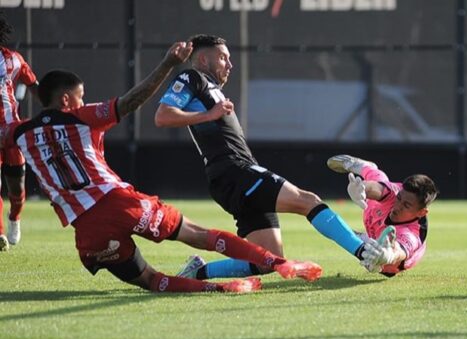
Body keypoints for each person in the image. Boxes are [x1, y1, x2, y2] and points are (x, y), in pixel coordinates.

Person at [1, 42, 322, 293]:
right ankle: (281, 264)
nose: (84, 102)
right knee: (198, 234)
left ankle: (222, 287)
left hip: (86, 232)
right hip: (117, 203)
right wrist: (168, 64)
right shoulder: (79, 117)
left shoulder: (18, 134)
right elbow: (130, 101)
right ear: (67, 100)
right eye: (81, 97)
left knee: (152, 281)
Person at [154, 34, 388, 280]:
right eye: (223, 58)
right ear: (202, 59)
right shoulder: (192, 77)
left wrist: (212, 113)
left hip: (232, 178)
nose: (230, 65)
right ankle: (364, 252)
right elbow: (163, 116)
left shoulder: (212, 90)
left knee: (267, 261)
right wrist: (210, 115)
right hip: (235, 172)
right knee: (307, 200)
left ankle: (198, 272)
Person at [326, 154, 438, 276]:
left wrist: (388, 255)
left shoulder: (412, 234)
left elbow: (399, 252)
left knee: (381, 263)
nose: (397, 206)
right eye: (399, 198)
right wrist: (362, 189)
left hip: (392, 262)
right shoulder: (394, 192)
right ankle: (365, 167)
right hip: (376, 213)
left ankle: (367, 241)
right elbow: (376, 188)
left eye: (406, 205)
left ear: (422, 212)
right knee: (378, 184)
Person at [0, 13, 37, 249]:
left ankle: (15, 218)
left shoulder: (14, 59)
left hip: (11, 131)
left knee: (17, 189)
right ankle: (0, 235)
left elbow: (35, 86)